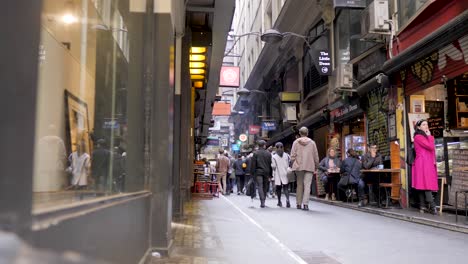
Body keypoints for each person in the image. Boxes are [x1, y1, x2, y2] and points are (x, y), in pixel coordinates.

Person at [412, 119, 438, 214]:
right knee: (426, 184)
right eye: (423, 124)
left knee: (422, 184)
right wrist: (430, 136)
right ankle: (433, 207)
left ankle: (422, 206)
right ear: (418, 127)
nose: (426, 126)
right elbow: (430, 147)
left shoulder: (421, 136)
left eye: (427, 124)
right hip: (423, 163)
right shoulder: (419, 137)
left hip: (425, 163)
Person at [291, 127, 320, 211]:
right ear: (307, 133)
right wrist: (317, 165)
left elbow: (292, 156)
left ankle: (298, 204)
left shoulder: (295, 142)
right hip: (310, 166)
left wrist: (293, 163)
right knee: (307, 185)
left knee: (299, 184)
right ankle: (306, 204)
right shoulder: (312, 143)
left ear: (300, 133)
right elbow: (316, 156)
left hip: (299, 166)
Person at [250, 140, 272, 208]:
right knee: (265, 187)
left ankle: (262, 201)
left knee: (260, 186)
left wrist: (252, 174)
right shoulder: (268, 153)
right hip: (266, 172)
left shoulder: (255, 153)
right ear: (264, 145)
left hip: (258, 172)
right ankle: (264, 201)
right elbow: (270, 164)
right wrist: (271, 174)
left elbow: (253, 165)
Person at [271, 142, 291, 208]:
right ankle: (288, 201)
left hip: (278, 174)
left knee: (278, 189)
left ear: (276, 148)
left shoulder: (274, 156)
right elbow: (290, 163)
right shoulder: (287, 155)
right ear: (283, 147)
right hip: (286, 173)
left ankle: (279, 202)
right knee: (286, 188)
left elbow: (273, 166)